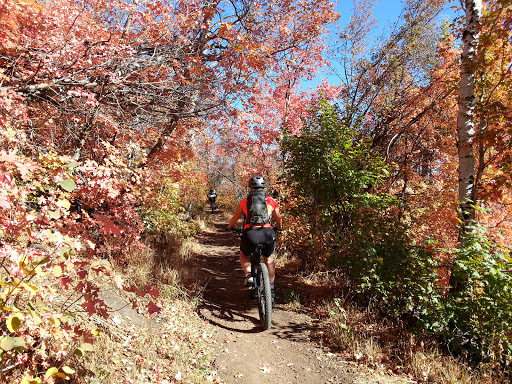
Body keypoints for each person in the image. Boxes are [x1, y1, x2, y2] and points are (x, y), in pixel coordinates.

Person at [227, 175, 282, 296]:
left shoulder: (245, 202)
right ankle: (271, 288)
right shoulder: (272, 201)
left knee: (244, 254)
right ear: (264, 186)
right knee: (269, 259)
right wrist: (278, 227)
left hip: (250, 233)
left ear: (250, 187)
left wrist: (229, 227)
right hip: (267, 233)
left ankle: (249, 275)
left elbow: (234, 219)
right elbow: (278, 218)